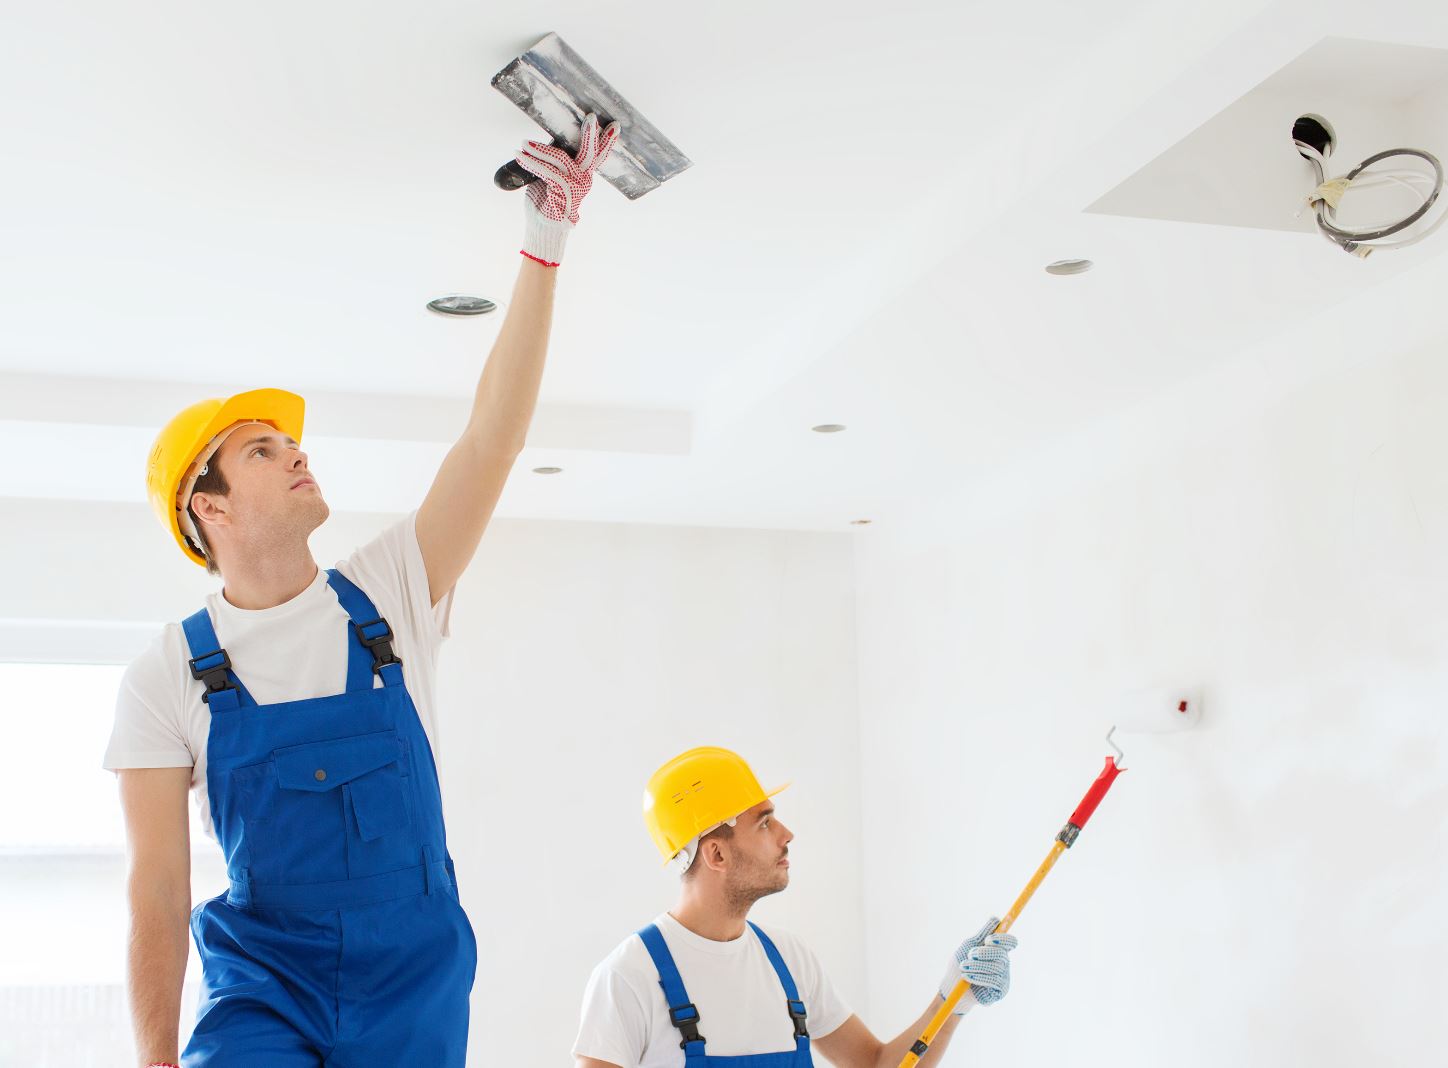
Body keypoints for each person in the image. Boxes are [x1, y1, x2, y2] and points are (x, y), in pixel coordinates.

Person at [104, 115, 620, 1067]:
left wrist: (546, 240)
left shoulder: (388, 592)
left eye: (290, 441)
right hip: (265, 986)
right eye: (260, 450)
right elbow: (157, 890)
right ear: (206, 509)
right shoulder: (167, 672)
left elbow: (490, 443)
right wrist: (153, 1059)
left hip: (414, 981)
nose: (295, 451)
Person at [573, 746, 1020, 1068]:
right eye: (764, 823)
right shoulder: (628, 980)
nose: (787, 834)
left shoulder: (787, 960)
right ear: (717, 855)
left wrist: (951, 1000)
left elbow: (879, 1065)